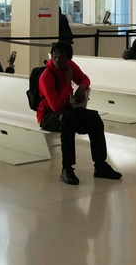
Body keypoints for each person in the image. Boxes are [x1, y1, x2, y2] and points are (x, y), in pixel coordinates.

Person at [36, 41, 121, 185]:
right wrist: (69, 84)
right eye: (55, 57)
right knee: (67, 119)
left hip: (67, 111)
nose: (57, 60)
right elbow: (56, 106)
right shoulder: (46, 76)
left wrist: (82, 86)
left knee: (94, 118)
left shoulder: (70, 67)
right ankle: (67, 168)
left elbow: (85, 78)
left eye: (61, 58)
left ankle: (100, 165)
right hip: (47, 116)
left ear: (68, 59)